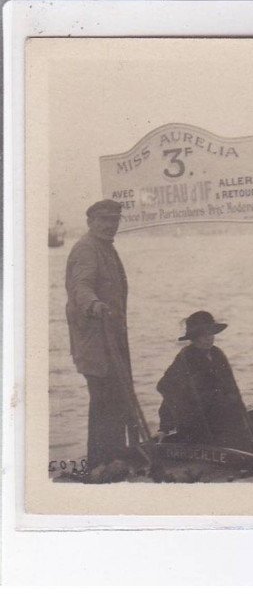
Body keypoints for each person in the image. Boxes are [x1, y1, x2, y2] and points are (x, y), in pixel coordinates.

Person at [65, 199, 134, 476]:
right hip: (96, 343)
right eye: (104, 220)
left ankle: (114, 460)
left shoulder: (105, 248)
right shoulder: (86, 249)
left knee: (115, 399)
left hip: (112, 341)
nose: (110, 225)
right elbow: (81, 286)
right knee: (104, 400)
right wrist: (94, 305)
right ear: (91, 222)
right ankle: (99, 465)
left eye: (114, 220)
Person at [156, 311, 253, 453]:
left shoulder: (217, 353)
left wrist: (243, 420)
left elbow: (232, 388)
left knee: (245, 448)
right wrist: (164, 427)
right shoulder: (185, 358)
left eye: (211, 334)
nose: (209, 339)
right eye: (203, 335)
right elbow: (168, 389)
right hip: (200, 424)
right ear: (194, 338)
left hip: (224, 418)